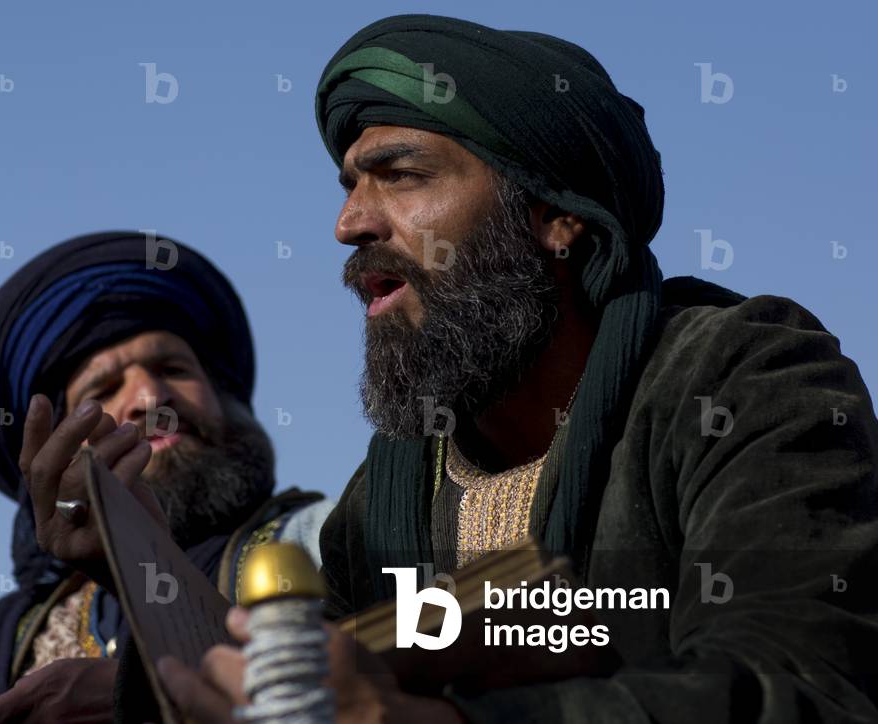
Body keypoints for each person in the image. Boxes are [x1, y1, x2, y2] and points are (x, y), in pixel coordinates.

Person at [156, 14, 878, 723]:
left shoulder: (744, 379)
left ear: (555, 216)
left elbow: (798, 688)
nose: (349, 223)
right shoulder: (379, 503)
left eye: (400, 176)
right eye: (349, 186)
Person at [0, 231, 332, 723]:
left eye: (172, 367)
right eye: (103, 389)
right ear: (51, 453)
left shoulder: (324, 539)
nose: (150, 398)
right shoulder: (7, 648)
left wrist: (139, 691)